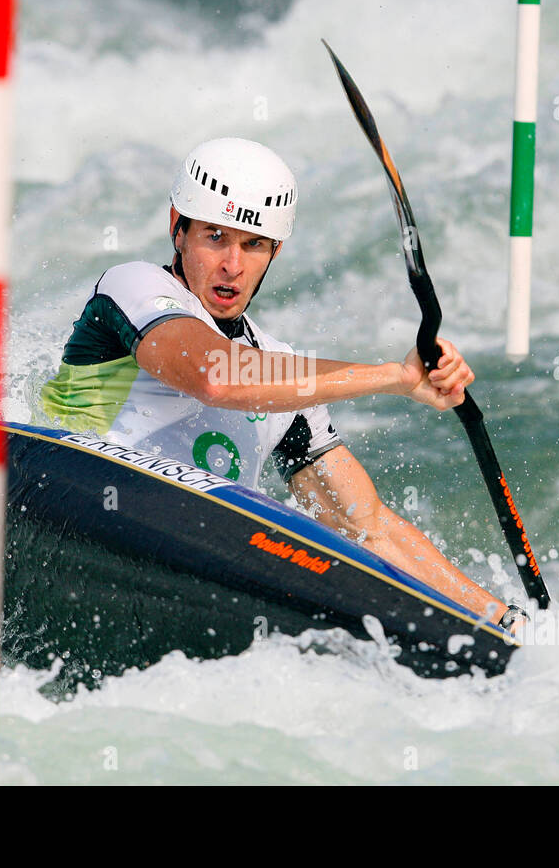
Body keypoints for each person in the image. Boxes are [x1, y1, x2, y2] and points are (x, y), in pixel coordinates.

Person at [40, 137, 521, 628]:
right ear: (176, 229)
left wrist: (500, 619)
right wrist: (395, 377)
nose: (233, 264)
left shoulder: (283, 373)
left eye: (253, 245)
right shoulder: (133, 286)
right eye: (214, 237)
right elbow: (217, 376)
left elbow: (368, 529)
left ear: (275, 251)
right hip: (70, 503)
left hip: (192, 561)